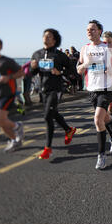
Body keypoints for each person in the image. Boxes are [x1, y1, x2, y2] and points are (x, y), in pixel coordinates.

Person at [77, 20, 112, 170]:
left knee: (98, 120)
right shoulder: (84, 49)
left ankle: (101, 155)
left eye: (92, 29)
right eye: (87, 30)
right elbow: (79, 70)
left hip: (107, 88)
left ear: (99, 31)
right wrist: (85, 64)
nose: (89, 32)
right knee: (104, 118)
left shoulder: (108, 47)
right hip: (92, 88)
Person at [31, 29, 78, 160]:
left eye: (49, 36)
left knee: (47, 116)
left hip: (56, 89)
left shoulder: (59, 55)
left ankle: (47, 149)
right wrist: (33, 68)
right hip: (43, 90)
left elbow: (71, 70)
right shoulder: (37, 54)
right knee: (53, 113)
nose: (45, 38)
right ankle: (68, 130)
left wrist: (60, 72)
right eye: (44, 35)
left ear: (55, 40)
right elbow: (32, 74)